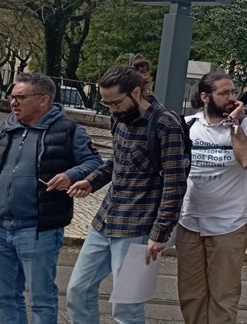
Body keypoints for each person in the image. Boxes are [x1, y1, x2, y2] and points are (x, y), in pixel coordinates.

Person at [66, 64, 188, 323]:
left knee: (126, 307)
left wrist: (160, 233)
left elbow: (175, 184)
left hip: (139, 229)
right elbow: (117, 161)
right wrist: (91, 181)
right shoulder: (119, 119)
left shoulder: (165, 123)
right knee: (77, 290)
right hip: (106, 221)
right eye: (106, 103)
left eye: (115, 103)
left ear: (136, 92)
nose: (111, 109)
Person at [0, 73, 102, 324]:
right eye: (12, 97)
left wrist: (71, 175)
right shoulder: (6, 128)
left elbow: (94, 162)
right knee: (6, 297)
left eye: (20, 97)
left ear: (43, 100)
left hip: (38, 230)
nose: (13, 102)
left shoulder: (69, 130)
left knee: (41, 299)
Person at [176, 72, 247, 324]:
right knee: (191, 296)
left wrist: (234, 124)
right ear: (205, 97)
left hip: (230, 224)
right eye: (224, 93)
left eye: (233, 92)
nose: (231, 98)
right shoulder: (188, 125)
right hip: (190, 222)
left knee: (223, 298)